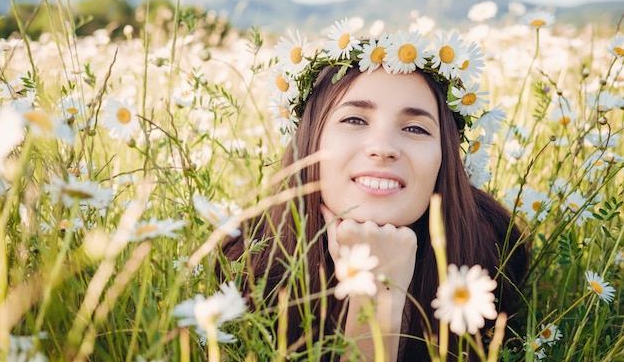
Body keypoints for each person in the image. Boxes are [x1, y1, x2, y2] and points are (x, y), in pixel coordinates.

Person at [219, 18, 530, 361]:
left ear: (447, 157)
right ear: (309, 141)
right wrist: (379, 294)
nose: (383, 148)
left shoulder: (490, 258)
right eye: (354, 120)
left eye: (415, 128)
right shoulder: (250, 264)